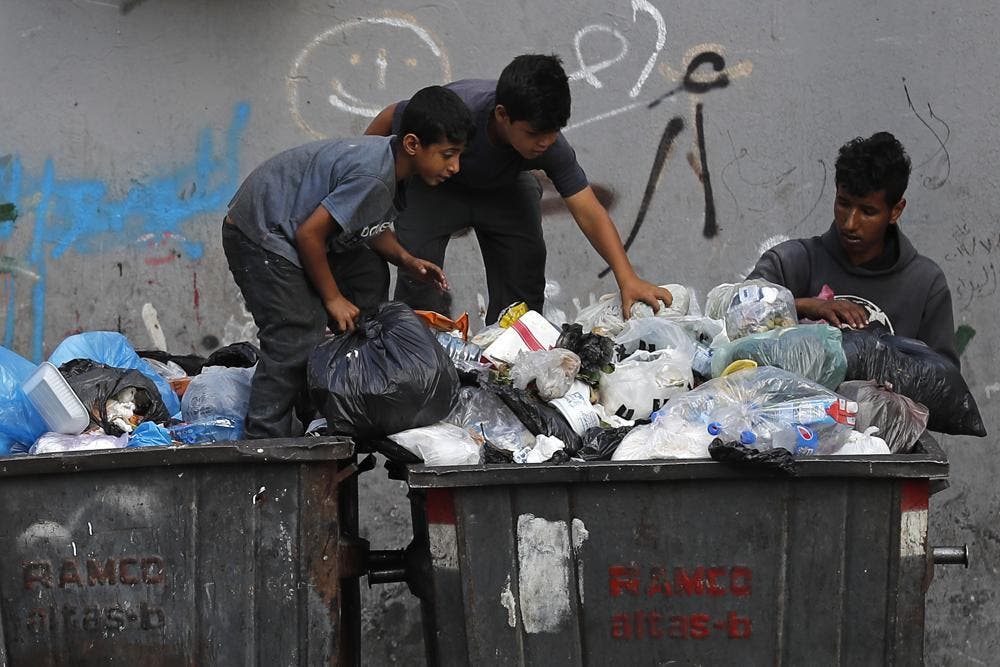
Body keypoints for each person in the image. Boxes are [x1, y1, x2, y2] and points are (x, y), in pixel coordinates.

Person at [223, 86, 474, 439]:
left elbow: (367, 226)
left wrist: (406, 259)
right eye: (448, 154)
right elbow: (309, 235)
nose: (455, 167)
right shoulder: (373, 175)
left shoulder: (395, 171)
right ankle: (265, 442)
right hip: (263, 232)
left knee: (368, 277)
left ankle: (339, 395)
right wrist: (332, 299)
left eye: (459, 155)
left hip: (299, 229)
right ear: (413, 144)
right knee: (294, 335)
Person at [365, 53, 673, 324]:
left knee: (522, 292)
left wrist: (627, 278)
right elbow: (393, 116)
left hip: (505, 189)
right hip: (438, 186)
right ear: (502, 115)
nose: (545, 142)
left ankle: (509, 361)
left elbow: (590, 212)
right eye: (535, 133)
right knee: (419, 275)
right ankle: (417, 357)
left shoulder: (549, 145)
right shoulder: (462, 110)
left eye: (553, 133)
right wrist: (361, 178)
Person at [748, 131, 959, 366]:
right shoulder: (790, 262)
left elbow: (945, 381)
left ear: (896, 211)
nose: (850, 223)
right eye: (843, 204)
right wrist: (807, 306)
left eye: (868, 211)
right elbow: (734, 317)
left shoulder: (925, 284)